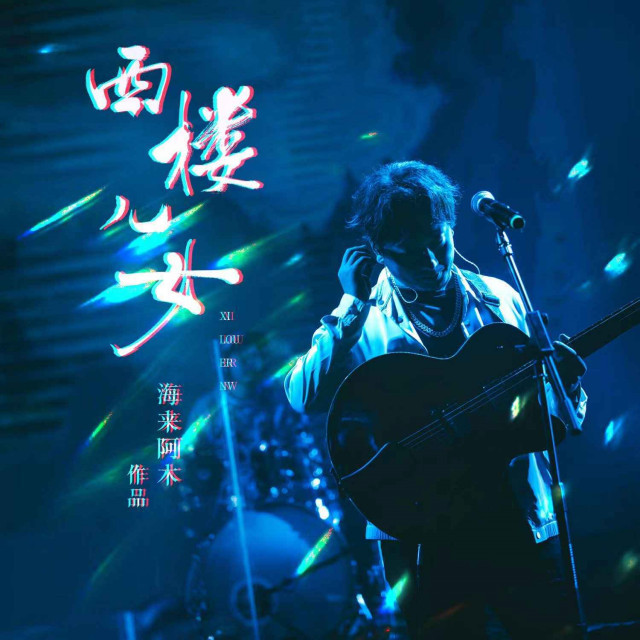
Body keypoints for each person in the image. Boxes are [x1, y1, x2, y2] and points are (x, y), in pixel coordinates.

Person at [284, 161, 588, 639]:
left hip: (514, 515)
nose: (429, 260)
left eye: (436, 241)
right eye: (408, 252)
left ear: (450, 226)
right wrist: (351, 306)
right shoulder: (364, 319)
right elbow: (302, 395)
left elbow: (552, 424)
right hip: (419, 535)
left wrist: (566, 387)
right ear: (377, 252)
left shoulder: (499, 299)